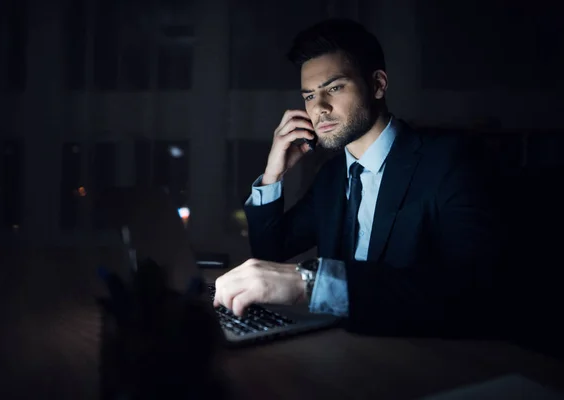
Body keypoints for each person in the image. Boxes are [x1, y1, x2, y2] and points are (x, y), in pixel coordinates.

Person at [213, 18, 504, 336]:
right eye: (309, 96)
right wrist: (273, 173)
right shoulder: (333, 176)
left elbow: (471, 292)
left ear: (378, 84)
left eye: (334, 88)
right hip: (343, 350)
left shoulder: (450, 161)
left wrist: (308, 284)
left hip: (424, 356)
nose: (319, 108)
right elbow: (270, 253)